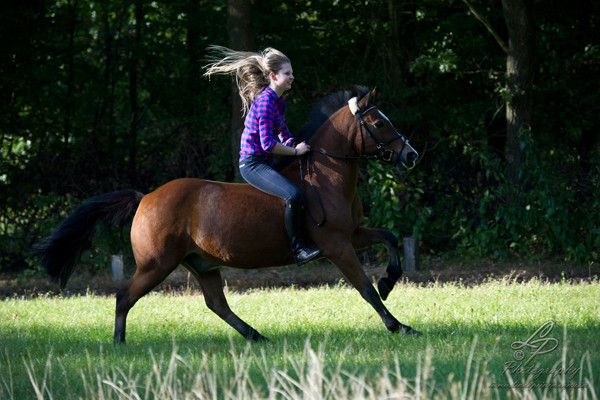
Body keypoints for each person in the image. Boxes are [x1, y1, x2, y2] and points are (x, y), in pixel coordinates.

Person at [203, 46, 322, 266]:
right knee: (293, 195)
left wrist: (297, 145)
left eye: (292, 73)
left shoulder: (279, 101)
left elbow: (283, 135)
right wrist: (295, 152)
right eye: (288, 73)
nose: (292, 77)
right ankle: (298, 251)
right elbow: (268, 144)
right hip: (253, 164)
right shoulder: (266, 102)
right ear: (272, 76)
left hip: (266, 162)